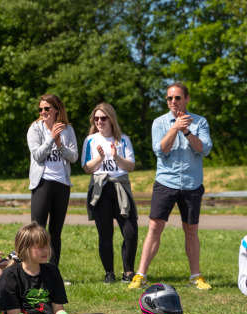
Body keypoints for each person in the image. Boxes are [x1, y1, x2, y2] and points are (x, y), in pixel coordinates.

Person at [129, 82, 213, 290]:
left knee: (191, 229)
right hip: (165, 182)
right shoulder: (159, 123)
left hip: (192, 184)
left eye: (177, 98)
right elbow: (160, 150)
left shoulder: (200, 122)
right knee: (155, 227)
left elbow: (205, 149)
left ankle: (195, 276)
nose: (173, 102)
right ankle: (140, 275)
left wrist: (186, 131)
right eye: (169, 98)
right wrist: (175, 127)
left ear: (186, 98)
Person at [0, 222, 109, 314]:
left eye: (47, 245)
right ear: (25, 249)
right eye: (40, 247)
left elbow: (58, 309)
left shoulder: (52, 271)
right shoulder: (10, 275)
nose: (46, 250)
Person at [82, 103, 138, 284]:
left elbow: (130, 166)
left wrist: (115, 156)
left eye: (103, 118)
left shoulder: (124, 139)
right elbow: (87, 168)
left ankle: (128, 272)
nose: (99, 121)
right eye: (96, 118)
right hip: (100, 188)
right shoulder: (90, 140)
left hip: (120, 187)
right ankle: (109, 273)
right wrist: (99, 157)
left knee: (130, 232)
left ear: (111, 119)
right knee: (105, 233)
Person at [27, 94, 78, 269]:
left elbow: (73, 157)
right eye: (40, 109)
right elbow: (38, 156)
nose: (43, 112)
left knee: (56, 232)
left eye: (47, 108)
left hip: (62, 184)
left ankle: (53, 271)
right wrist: (51, 139)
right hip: (43, 182)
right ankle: (34, 270)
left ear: (57, 109)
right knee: (37, 231)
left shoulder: (68, 130)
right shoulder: (35, 129)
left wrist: (61, 145)